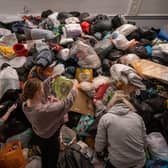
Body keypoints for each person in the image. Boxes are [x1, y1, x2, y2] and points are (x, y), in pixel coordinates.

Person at [22, 76, 78, 168]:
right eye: (42, 89)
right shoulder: (45, 110)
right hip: (50, 137)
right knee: (52, 158)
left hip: (38, 134)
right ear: (37, 93)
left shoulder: (26, 103)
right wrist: (74, 88)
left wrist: (50, 79)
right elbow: (66, 103)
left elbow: (41, 91)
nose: (43, 90)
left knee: (44, 153)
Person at [95, 91, 147, 168]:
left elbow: (99, 144)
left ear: (111, 103)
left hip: (118, 164)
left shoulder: (106, 118)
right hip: (139, 162)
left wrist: (99, 152)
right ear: (128, 103)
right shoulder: (137, 117)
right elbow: (145, 141)